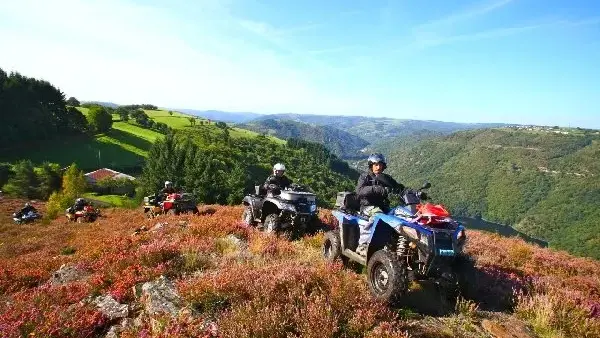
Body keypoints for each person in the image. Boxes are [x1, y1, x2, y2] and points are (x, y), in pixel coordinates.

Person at [355, 153, 404, 257]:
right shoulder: (365, 177)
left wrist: (414, 192)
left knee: (400, 215)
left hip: (383, 206)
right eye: (376, 164)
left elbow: (399, 188)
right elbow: (359, 191)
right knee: (377, 216)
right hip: (368, 206)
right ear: (371, 165)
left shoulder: (385, 178)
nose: (378, 167)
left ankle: (395, 244)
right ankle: (362, 245)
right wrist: (378, 189)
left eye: (380, 164)